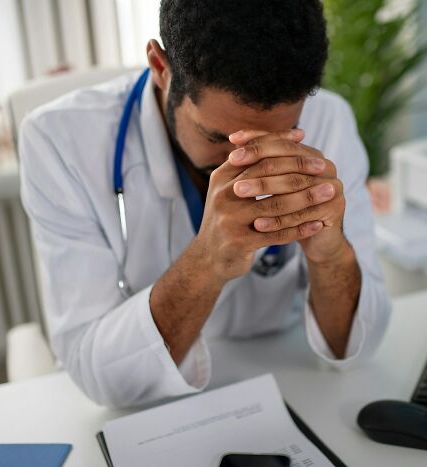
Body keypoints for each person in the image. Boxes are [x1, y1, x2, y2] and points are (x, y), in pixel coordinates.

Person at [20, 0, 390, 409]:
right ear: (161, 68)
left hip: (291, 379)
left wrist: (330, 255)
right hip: (152, 405)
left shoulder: (330, 119)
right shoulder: (60, 140)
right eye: (218, 137)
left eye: (285, 135)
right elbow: (101, 378)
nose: (245, 163)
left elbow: (360, 343)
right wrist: (207, 262)